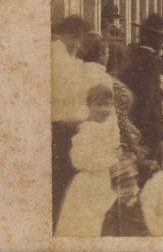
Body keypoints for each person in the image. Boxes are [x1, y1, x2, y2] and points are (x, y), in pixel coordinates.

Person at [56, 84, 120, 237]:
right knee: (87, 224)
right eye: (99, 105)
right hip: (89, 183)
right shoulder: (86, 129)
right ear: (89, 106)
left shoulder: (108, 127)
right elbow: (80, 160)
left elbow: (114, 148)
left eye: (107, 104)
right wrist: (112, 158)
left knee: (104, 222)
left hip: (106, 179)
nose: (104, 109)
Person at [51, 15, 90, 229]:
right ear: (71, 36)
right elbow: (70, 97)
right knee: (61, 182)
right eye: (78, 38)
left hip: (62, 125)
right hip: (60, 127)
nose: (79, 43)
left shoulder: (63, 55)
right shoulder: (60, 58)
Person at [119, 12, 163, 177]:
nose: (162, 42)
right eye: (159, 37)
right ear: (152, 38)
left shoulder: (130, 54)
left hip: (128, 121)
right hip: (148, 124)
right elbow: (148, 97)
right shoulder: (153, 60)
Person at [101, 157, 150, 237]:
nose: (127, 190)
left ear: (136, 181)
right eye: (122, 186)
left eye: (130, 184)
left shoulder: (148, 203)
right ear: (114, 189)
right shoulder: (113, 219)